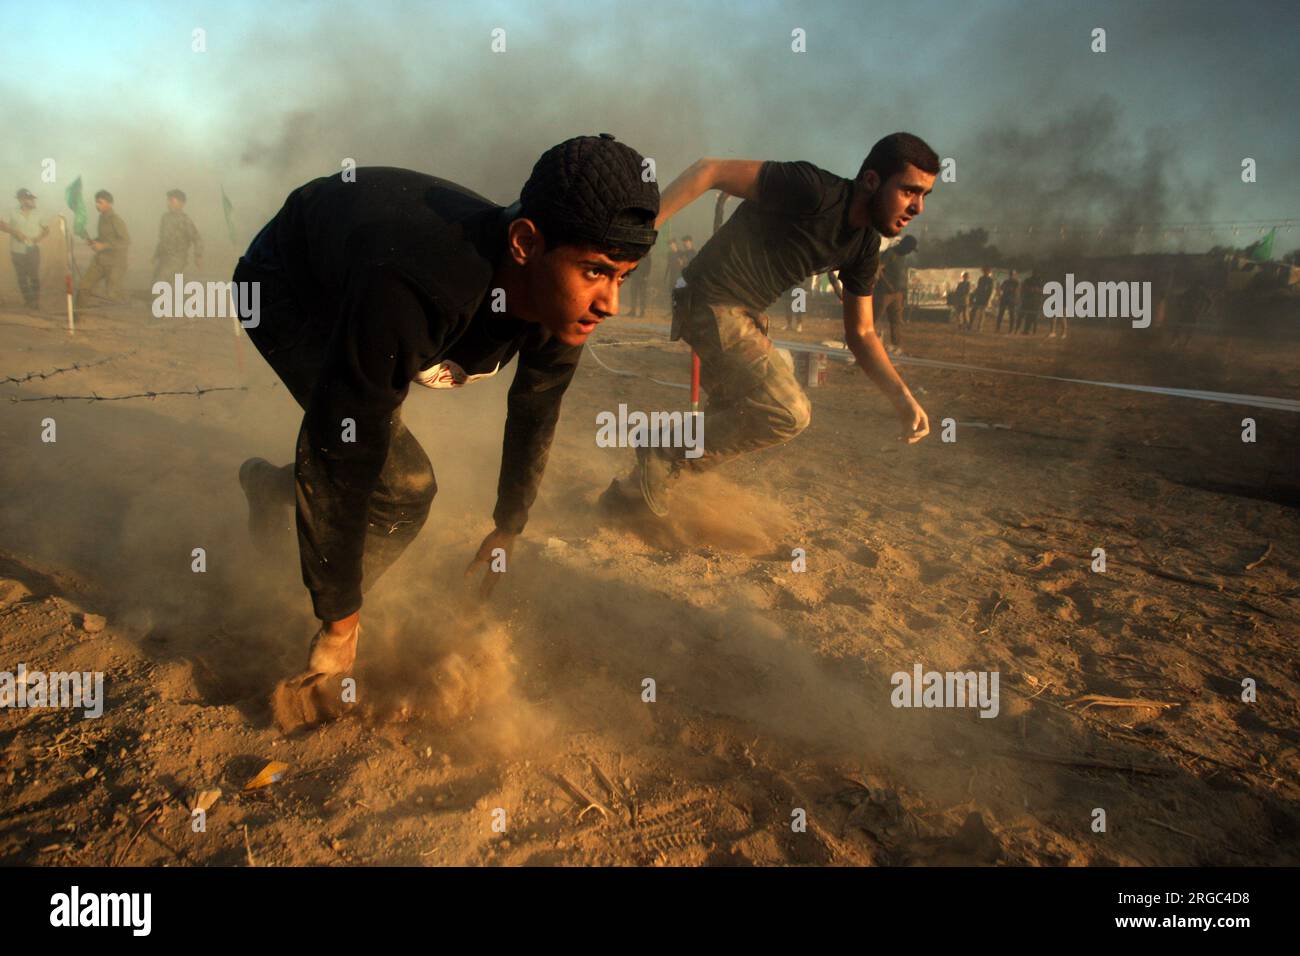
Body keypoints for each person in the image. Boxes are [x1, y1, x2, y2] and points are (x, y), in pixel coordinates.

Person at [234, 134, 658, 683]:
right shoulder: (418, 285)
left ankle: (272, 491)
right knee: (403, 488)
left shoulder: (560, 301)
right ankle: (319, 614)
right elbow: (344, 442)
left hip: (365, 272)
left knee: (386, 478)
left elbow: (536, 404)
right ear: (526, 243)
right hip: (289, 287)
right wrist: (339, 621)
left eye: (623, 277)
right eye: (596, 271)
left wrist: (509, 524)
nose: (611, 304)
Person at [604, 131, 936, 518]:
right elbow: (709, 170)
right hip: (709, 300)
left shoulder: (863, 248)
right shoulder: (814, 189)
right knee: (787, 411)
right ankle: (662, 451)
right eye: (910, 191)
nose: (919, 207)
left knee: (740, 415)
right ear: (873, 180)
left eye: (925, 195)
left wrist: (903, 399)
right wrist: (641, 233)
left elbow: (861, 333)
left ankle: (624, 499)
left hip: (745, 316)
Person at [75, 190, 130, 306]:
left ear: (109, 204)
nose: (97, 205)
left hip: (115, 263)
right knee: (84, 286)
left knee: (113, 294)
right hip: (100, 261)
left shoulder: (116, 220)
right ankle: (77, 316)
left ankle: (131, 307)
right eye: (96, 202)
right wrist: (94, 242)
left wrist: (103, 246)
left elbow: (126, 241)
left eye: (100, 202)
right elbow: (103, 238)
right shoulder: (101, 218)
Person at [3, 189, 49, 310]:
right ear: (22, 200)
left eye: (32, 198)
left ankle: (35, 301)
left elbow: (46, 229)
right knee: (21, 277)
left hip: (33, 249)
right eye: (30, 199)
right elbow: (1, 224)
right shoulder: (12, 212)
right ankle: (28, 300)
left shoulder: (39, 213)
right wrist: (14, 232)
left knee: (33, 275)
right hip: (17, 250)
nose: (33, 201)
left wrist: (38, 238)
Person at [873, 234, 916, 352]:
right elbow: (878, 270)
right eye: (909, 249)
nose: (909, 252)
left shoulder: (903, 255)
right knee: (873, 318)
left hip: (898, 293)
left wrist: (902, 291)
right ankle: (864, 343)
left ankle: (896, 346)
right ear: (904, 245)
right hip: (884, 293)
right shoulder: (890, 253)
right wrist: (888, 285)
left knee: (896, 320)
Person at [152, 189, 203, 286]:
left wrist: (198, 256)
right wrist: (156, 255)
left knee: (161, 282)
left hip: (177, 258)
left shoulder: (185, 220)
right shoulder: (165, 218)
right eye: (168, 201)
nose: (168, 203)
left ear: (181, 203)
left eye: (172, 201)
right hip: (164, 257)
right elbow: (162, 239)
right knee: (157, 283)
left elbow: (197, 238)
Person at [994, 268, 1019, 333]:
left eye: (1012, 274)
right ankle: (997, 328)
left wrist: (1010, 290)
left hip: (1011, 299)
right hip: (1004, 298)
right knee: (1001, 314)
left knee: (1012, 315)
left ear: (1015, 275)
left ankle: (1011, 329)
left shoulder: (1016, 282)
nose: (1011, 275)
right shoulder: (1006, 281)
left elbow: (1016, 291)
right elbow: (1002, 288)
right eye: (1010, 274)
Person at [971, 265, 993, 332]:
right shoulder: (981, 279)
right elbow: (978, 288)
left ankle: (979, 327)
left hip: (983, 298)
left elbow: (990, 290)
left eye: (986, 271)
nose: (985, 272)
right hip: (979, 297)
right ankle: (971, 325)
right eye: (984, 271)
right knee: (974, 311)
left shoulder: (989, 280)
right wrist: (974, 295)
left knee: (981, 313)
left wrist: (987, 299)